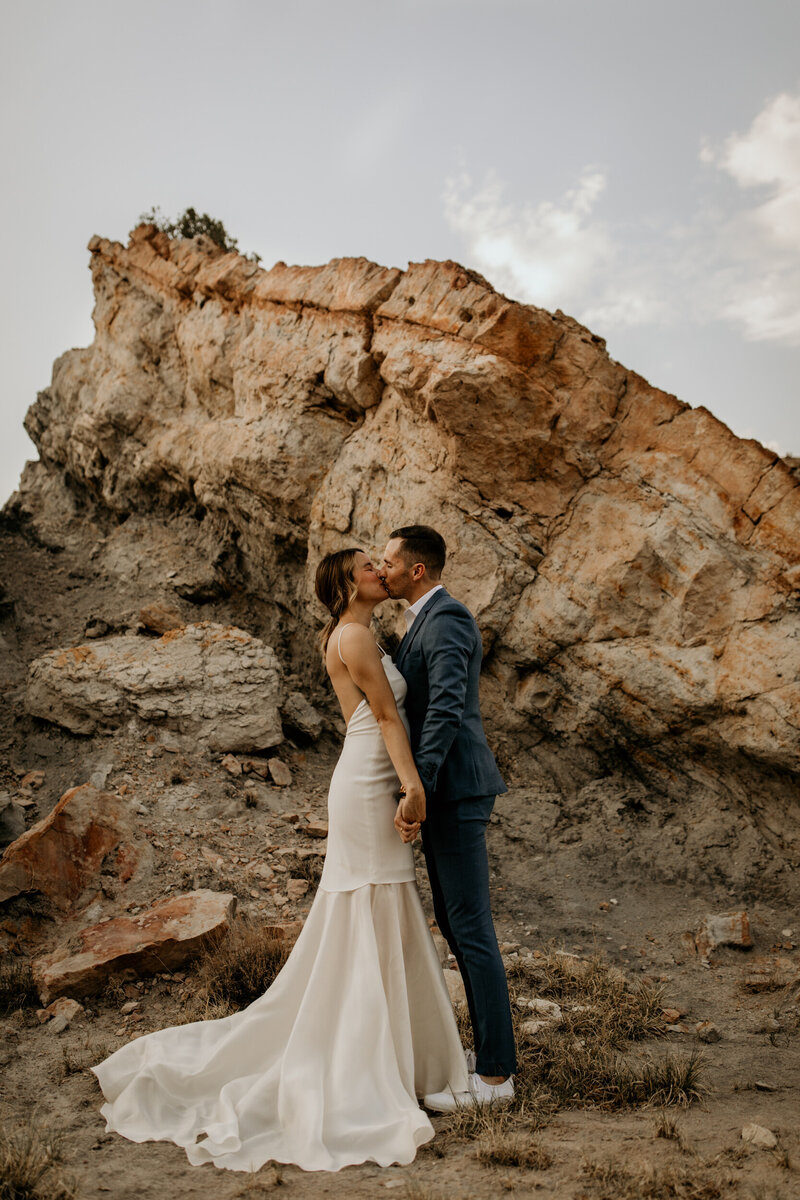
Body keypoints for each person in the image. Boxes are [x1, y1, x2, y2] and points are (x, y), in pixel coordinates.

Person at [89, 548, 468, 1173]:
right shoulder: (353, 636)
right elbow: (383, 718)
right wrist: (413, 786)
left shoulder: (349, 635)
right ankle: (373, 1064)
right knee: (374, 901)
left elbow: (360, 722)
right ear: (350, 583)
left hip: (363, 771)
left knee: (383, 903)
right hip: (374, 776)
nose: (382, 569)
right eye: (371, 565)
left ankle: (404, 1061)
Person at [380, 525, 517, 1111]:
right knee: (457, 924)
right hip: (446, 790)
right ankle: (487, 1054)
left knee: (472, 928)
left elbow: (443, 711)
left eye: (388, 560)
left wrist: (421, 789)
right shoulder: (418, 620)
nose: (380, 567)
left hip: (455, 790)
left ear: (416, 570)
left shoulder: (450, 618)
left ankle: (495, 1078)